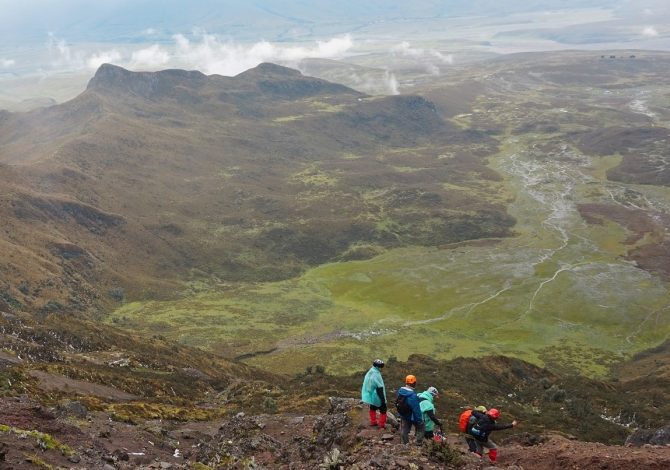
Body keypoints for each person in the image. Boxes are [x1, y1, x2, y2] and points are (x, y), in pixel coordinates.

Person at [395, 374, 424, 445]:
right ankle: (418, 443)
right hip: (410, 415)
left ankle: (405, 444)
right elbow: (416, 409)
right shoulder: (412, 396)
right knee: (421, 427)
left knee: (404, 429)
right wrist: (419, 420)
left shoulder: (400, 391)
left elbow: (398, 402)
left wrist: (399, 414)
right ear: (414, 383)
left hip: (403, 414)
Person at [361, 359, 387, 428]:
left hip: (372, 395)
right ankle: (381, 425)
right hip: (377, 395)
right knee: (383, 410)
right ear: (378, 366)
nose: (381, 368)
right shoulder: (376, 375)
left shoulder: (370, 371)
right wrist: (383, 400)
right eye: (381, 367)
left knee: (372, 408)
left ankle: (373, 422)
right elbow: (380, 388)